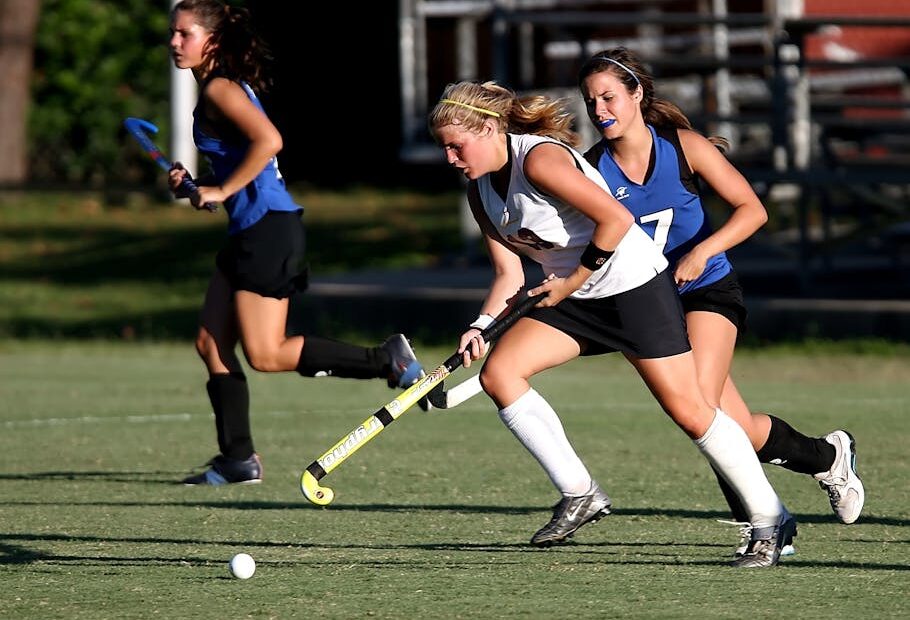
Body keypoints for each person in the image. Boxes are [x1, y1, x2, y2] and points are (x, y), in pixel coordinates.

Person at [429, 80, 795, 568]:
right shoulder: (480, 192)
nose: (451, 158)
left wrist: (571, 279)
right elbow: (508, 273)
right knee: (500, 373)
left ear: (492, 128)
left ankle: (772, 518)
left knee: (691, 410)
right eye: (445, 149)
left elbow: (616, 219)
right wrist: (481, 324)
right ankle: (580, 493)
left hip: (632, 287)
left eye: (457, 145)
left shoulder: (539, 160)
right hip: (576, 296)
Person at [576, 47, 865, 550]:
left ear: (637, 94)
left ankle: (767, 525)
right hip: (651, 303)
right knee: (737, 427)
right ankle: (826, 457)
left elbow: (752, 211)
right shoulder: (592, 169)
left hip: (708, 288)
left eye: (609, 97)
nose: (600, 110)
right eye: (590, 100)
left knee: (701, 407)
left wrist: (701, 251)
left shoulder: (684, 147)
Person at [166, 0, 426, 486]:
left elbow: (269, 142)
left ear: (213, 41)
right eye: (173, 33)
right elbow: (246, 161)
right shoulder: (218, 89)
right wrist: (198, 183)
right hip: (251, 228)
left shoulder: (221, 88)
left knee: (265, 354)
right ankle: (237, 459)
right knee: (211, 341)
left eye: (185, 34)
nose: (174, 43)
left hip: (267, 229)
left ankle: (385, 360)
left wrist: (221, 190)